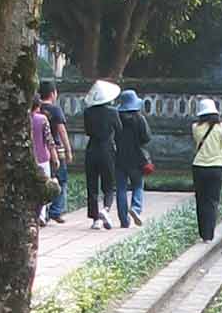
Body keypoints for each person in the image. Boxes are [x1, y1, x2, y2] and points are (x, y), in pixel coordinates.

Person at [189, 97, 222, 240]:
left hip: (199, 167)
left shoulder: (195, 127)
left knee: (200, 200)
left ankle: (203, 234)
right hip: (216, 168)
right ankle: (210, 234)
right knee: (212, 201)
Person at [80, 77, 120, 228]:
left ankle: (95, 219)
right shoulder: (112, 112)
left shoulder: (87, 112)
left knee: (92, 185)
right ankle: (106, 209)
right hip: (107, 149)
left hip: (92, 149)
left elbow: (87, 131)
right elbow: (119, 129)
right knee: (109, 185)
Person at [113, 88, 151, 227]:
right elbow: (146, 138)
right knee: (138, 186)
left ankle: (124, 220)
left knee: (121, 189)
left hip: (119, 158)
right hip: (137, 159)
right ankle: (136, 208)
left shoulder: (116, 118)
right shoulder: (139, 119)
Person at [38, 79, 71, 219]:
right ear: (53, 93)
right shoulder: (55, 110)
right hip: (56, 149)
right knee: (61, 179)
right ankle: (56, 210)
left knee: (45, 180)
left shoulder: (36, 108)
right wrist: (68, 150)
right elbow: (61, 131)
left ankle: (42, 213)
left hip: (40, 149)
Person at [29, 90, 60, 223]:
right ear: (38, 105)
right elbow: (49, 140)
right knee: (44, 187)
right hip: (43, 158)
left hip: (29, 158)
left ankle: (31, 214)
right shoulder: (42, 119)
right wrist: (55, 158)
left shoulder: (24, 120)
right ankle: (41, 215)